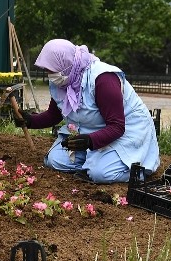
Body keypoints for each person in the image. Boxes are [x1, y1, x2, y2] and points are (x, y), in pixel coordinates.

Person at [11, 39, 160, 184]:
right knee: (55, 160)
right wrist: (30, 120)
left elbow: (117, 126)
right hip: (91, 131)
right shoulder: (62, 81)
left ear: (64, 64)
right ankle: (95, 160)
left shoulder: (103, 80)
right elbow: (54, 115)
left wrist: (89, 141)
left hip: (127, 131)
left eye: (51, 70)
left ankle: (134, 170)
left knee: (100, 173)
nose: (50, 75)